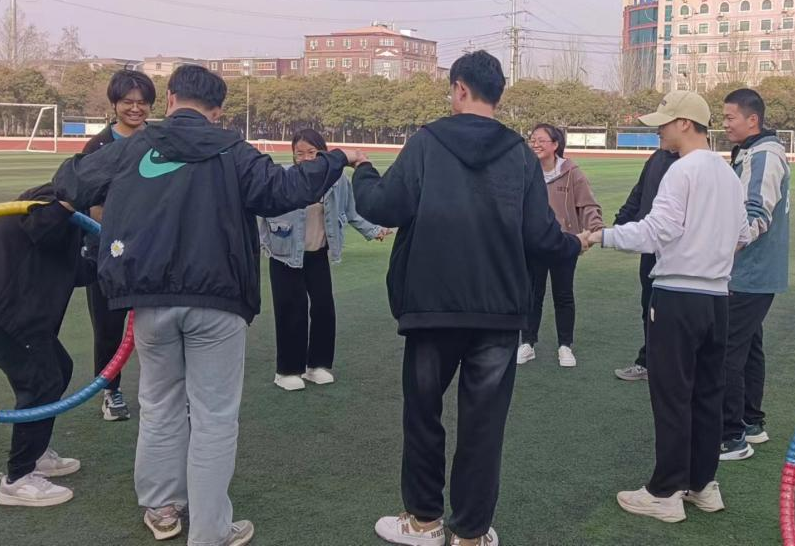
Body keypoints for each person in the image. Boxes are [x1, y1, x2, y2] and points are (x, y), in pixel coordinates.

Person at [53, 64, 362, 546]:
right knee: (213, 417)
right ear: (217, 111)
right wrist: (337, 158)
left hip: (151, 299)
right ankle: (210, 530)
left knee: (159, 406)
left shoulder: (137, 145)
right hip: (218, 301)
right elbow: (286, 190)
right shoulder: (234, 151)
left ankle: (162, 508)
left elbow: (70, 184)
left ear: (170, 98)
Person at [353, 51, 584, 546]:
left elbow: (382, 205)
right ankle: (471, 534)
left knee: (423, 415)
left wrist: (363, 169)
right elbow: (541, 236)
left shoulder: (427, 142)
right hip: (498, 312)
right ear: (498, 93)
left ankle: (423, 521)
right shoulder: (520, 154)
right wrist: (574, 244)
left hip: (432, 306)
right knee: (483, 426)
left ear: (459, 88)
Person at [585, 90, 747, 524]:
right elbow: (743, 234)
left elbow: (656, 231)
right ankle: (702, 484)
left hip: (678, 296)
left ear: (684, 124)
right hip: (717, 298)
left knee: (672, 395)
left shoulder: (682, 170)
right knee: (707, 394)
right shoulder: (728, 173)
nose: (658, 130)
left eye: (664, 122)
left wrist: (601, 236)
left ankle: (665, 491)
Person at [0, 184, 85, 507]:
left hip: (9, 308)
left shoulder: (67, 217)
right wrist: (67, 205)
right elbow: (41, 227)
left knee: (59, 368)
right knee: (40, 381)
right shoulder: (50, 204)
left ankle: (36, 454)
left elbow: (75, 270)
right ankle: (18, 478)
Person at [258, 128, 390, 392]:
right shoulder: (284, 178)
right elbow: (260, 211)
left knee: (323, 309)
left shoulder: (338, 180)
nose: (306, 158)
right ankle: (287, 371)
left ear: (324, 153)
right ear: (293, 155)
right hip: (285, 256)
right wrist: (261, 242)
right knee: (291, 311)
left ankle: (317, 366)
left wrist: (374, 230)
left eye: (312, 152)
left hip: (317, 253)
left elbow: (352, 212)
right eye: (300, 153)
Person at [718, 88, 791, 461]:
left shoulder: (763, 156)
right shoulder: (753, 152)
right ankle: (751, 422)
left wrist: (720, 250)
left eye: (730, 117)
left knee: (726, 349)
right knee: (747, 348)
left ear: (753, 120)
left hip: (749, 272)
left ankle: (731, 436)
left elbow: (755, 214)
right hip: (755, 272)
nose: (725, 124)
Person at [81, 68, 156, 422]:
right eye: (128, 102)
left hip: (154, 253)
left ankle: (162, 392)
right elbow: (92, 205)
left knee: (158, 326)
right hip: (107, 252)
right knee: (108, 327)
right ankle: (110, 391)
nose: (135, 108)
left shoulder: (160, 142)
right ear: (114, 104)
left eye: (143, 102)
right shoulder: (98, 146)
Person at [516, 122, 603, 368]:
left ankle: (565, 346)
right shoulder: (526, 172)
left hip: (565, 243)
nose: (535, 144)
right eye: (533, 139)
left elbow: (587, 204)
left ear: (555, 145)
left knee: (563, 295)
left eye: (541, 140)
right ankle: (527, 343)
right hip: (534, 243)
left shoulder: (572, 172)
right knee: (532, 294)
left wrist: (595, 228)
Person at [611, 147, 676, 381]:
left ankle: (671, 366)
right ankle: (649, 362)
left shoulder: (694, 162)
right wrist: (620, 223)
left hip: (678, 250)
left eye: (663, 129)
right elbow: (639, 192)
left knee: (674, 310)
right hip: (650, 246)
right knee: (648, 306)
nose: (660, 133)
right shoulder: (657, 157)